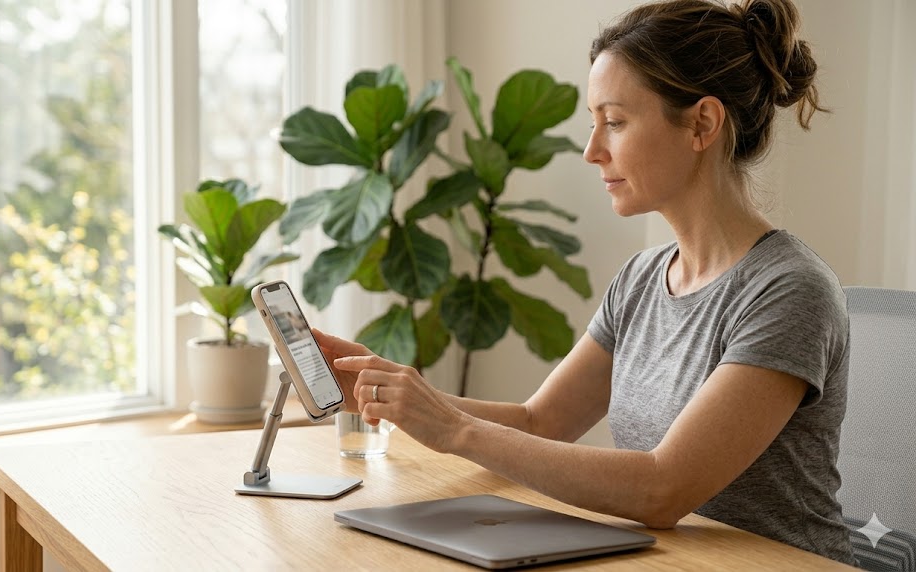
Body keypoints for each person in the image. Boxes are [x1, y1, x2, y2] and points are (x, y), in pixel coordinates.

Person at [313, 0, 856, 564]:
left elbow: (662, 487)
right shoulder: (643, 279)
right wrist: (397, 393)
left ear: (702, 123)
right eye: (593, 124)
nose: (592, 150)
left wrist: (452, 429)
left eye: (615, 122)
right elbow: (541, 422)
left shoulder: (790, 290)